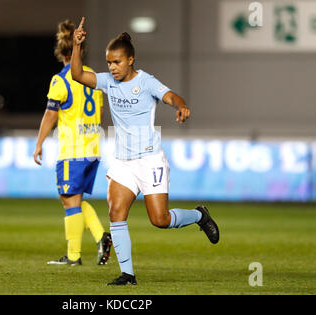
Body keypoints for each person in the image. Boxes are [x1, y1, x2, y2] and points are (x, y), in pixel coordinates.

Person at [71, 17, 220, 285]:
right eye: (108, 62)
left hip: (150, 159)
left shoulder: (147, 81)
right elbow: (77, 74)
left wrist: (181, 106)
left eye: (116, 62)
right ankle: (128, 275)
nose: (112, 67)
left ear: (131, 60)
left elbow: (171, 96)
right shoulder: (108, 82)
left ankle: (199, 215)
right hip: (123, 162)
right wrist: (77, 46)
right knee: (116, 212)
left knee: (160, 220)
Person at [34, 20, 112, 266]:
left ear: (60, 51)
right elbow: (99, 114)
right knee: (74, 199)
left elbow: (50, 114)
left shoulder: (61, 80)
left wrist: (39, 143)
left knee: (68, 199)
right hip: (92, 147)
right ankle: (99, 239)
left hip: (73, 149)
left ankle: (75, 255)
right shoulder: (92, 77)